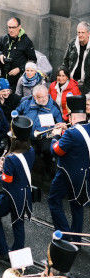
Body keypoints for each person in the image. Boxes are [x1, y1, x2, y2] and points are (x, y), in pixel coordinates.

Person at [0, 114, 35, 260]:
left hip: (10, 195)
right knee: (18, 223)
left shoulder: (11, 159)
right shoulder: (31, 150)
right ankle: (17, 255)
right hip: (24, 193)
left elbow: (5, 182)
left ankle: (1, 251)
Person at [48, 94, 90, 242]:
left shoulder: (71, 133)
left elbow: (56, 150)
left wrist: (56, 136)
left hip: (66, 174)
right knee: (77, 206)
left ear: (71, 116)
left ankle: (65, 236)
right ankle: (76, 240)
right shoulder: (84, 127)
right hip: (85, 175)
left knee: (53, 201)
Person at [16, 84, 63, 164]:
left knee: (46, 161)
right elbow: (16, 114)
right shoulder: (26, 102)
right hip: (28, 138)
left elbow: (60, 124)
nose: (45, 99)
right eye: (41, 97)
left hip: (45, 140)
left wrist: (59, 127)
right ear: (34, 97)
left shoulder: (54, 106)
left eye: (46, 96)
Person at [0, 16, 37, 91]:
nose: (11, 30)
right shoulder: (4, 38)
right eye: (9, 27)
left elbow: (33, 60)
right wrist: (0, 55)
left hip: (17, 79)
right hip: (2, 75)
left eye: (13, 27)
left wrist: (20, 69)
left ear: (19, 27)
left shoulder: (26, 41)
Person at [63, 21, 90, 97]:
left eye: (83, 32)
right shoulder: (72, 43)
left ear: (88, 33)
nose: (80, 35)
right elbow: (65, 61)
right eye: (78, 32)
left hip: (86, 85)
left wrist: (86, 88)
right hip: (71, 81)